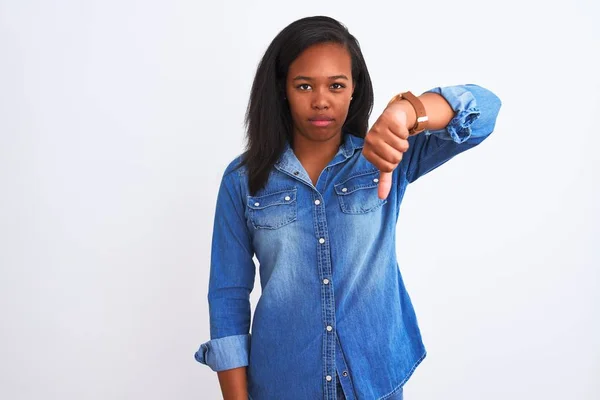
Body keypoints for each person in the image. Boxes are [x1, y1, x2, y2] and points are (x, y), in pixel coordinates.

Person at [194, 15, 502, 400]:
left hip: (374, 382)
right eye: (304, 85)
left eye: (336, 85)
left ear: (354, 89)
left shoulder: (387, 156)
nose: (321, 100)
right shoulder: (242, 180)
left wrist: (407, 112)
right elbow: (227, 297)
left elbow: (485, 110)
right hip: (283, 385)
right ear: (282, 89)